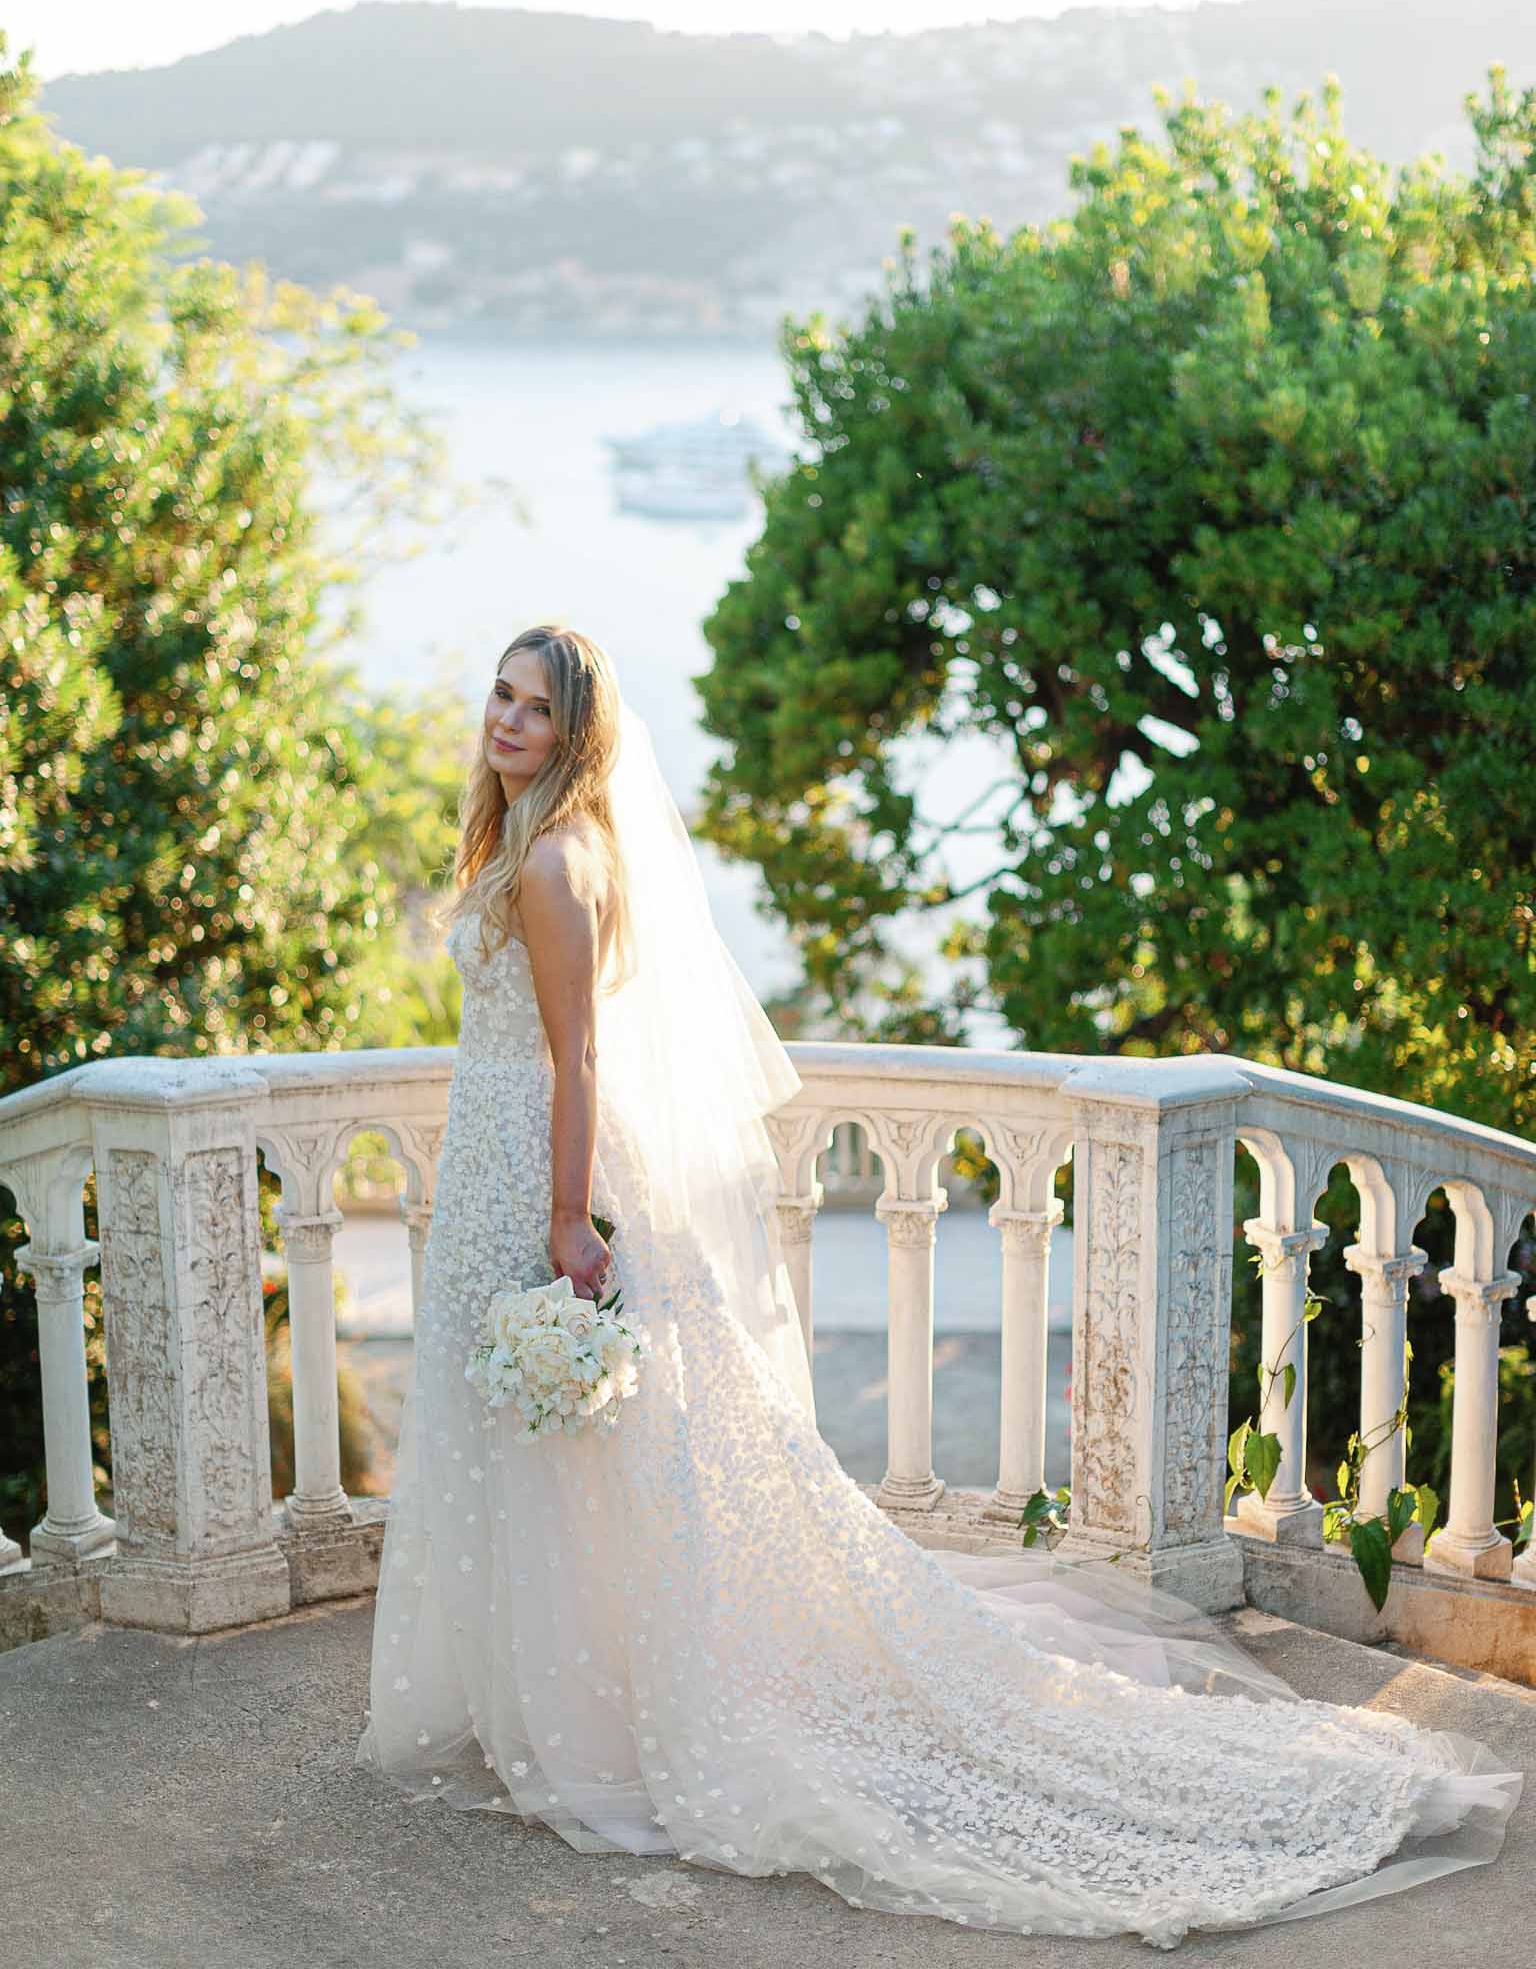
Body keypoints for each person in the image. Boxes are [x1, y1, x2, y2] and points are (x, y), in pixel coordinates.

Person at [355, 623, 1520, 1946]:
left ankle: (617, 1714)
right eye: (498, 697)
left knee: (595, 1455)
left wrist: (569, 1221)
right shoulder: (518, 841)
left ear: (575, 734)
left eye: (534, 707)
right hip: (501, 1164)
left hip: (539, 1178)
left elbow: (579, 1064)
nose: (506, 721)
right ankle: (564, 1696)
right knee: (563, 1459)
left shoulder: (560, 862)